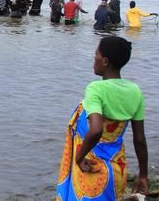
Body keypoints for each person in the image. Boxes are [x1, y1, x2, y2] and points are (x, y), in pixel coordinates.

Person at [56, 36, 148, 200]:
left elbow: (96, 129)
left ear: (104, 61)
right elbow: (139, 140)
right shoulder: (135, 91)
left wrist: (79, 158)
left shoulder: (95, 89)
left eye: (96, 55)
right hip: (116, 170)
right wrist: (143, 175)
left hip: (91, 170)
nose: (94, 58)